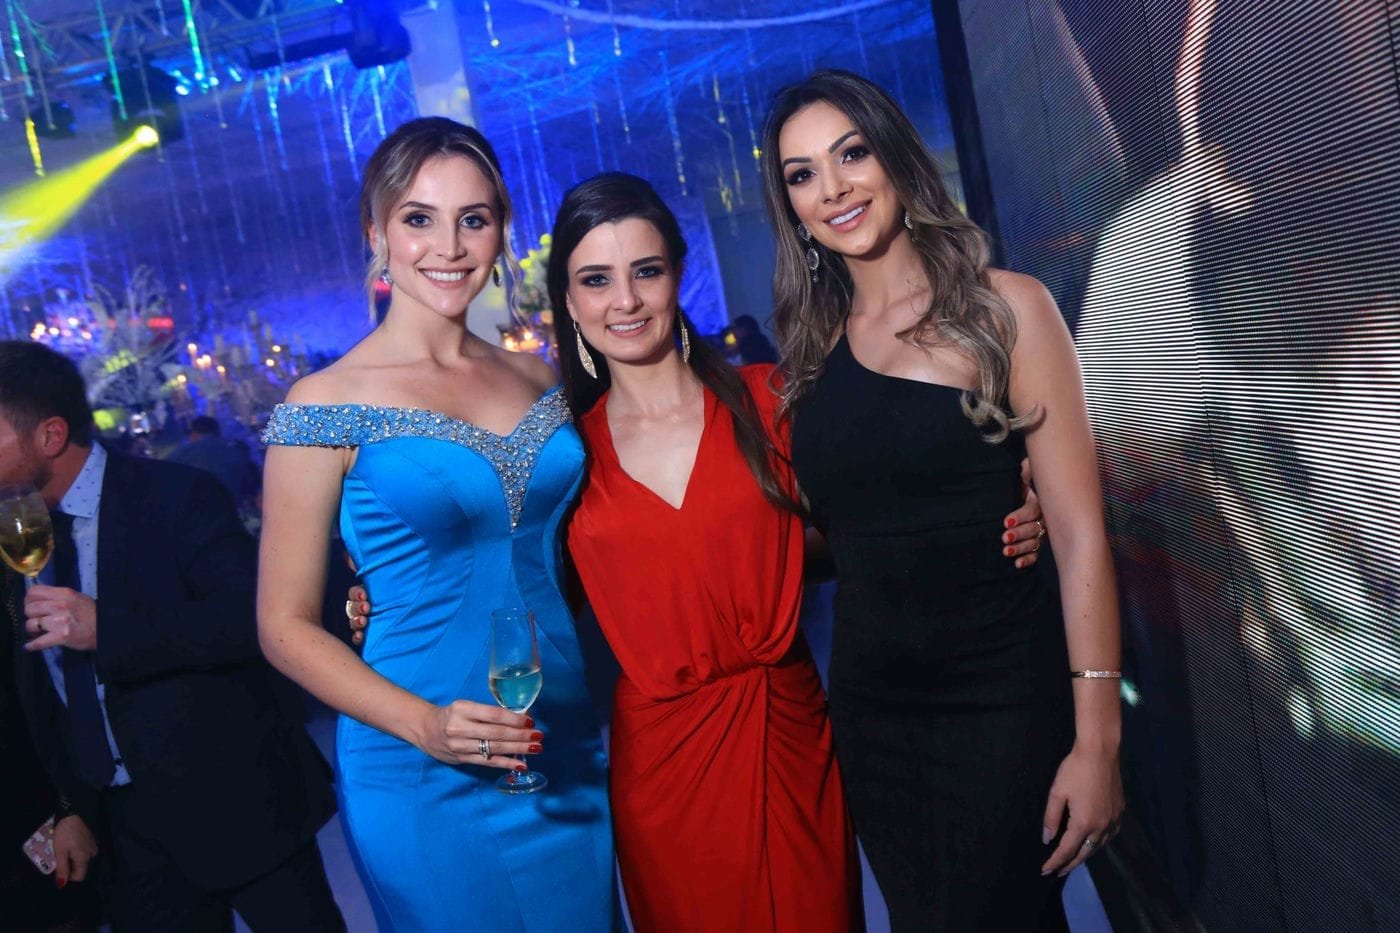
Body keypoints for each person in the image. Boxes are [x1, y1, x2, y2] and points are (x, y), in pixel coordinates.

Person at [761, 70, 1125, 930]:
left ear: (894, 157)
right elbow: (852, 532)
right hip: (876, 716)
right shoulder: (810, 352)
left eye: (851, 153)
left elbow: (1080, 535)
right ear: (792, 207)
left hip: (1001, 702)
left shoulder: (1007, 309)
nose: (833, 188)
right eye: (803, 174)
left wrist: (1098, 741)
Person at [256, 117, 616, 932]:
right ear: (376, 233)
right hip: (419, 759)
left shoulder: (536, 375)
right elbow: (281, 626)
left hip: (559, 738)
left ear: (501, 231)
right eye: (419, 218)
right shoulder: (322, 402)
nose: (449, 246)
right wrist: (426, 724)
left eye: (473, 219)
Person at [554, 172, 860, 930]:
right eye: (597, 280)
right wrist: (376, 600)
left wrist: (1004, 502)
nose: (625, 301)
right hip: (663, 770)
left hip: (787, 734)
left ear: (678, 275)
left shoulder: (770, 400)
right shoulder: (564, 458)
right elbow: (511, 586)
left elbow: (871, 520)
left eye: (646, 271)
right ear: (569, 300)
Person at [0, 341, 342, 932]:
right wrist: (68, 806)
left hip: (235, 802)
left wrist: (107, 629)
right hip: (123, 837)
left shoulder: (175, 494)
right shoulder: (19, 527)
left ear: (50, 435)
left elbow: (251, 620)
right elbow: (40, 689)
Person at [164, 415, 259, 506]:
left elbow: (163, 475)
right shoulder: (237, 449)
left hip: (195, 508)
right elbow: (252, 479)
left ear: (194, 433)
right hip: (233, 506)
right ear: (218, 432)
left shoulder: (183, 452)